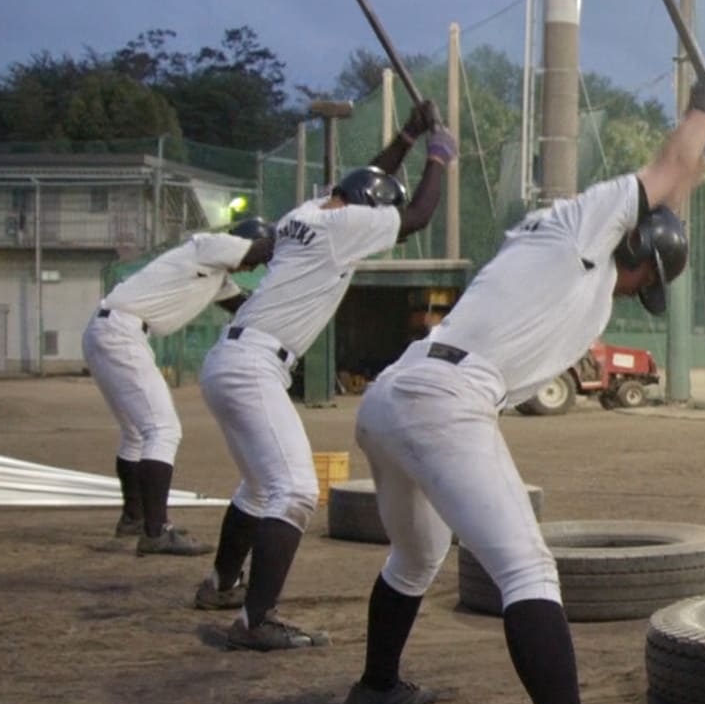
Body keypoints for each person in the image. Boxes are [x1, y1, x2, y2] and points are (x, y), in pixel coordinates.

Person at [343, 68, 705, 704]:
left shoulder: (574, 256)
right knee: (529, 572)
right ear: (634, 253)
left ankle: (376, 686)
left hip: (394, 395)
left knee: (416, 554)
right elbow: (667, 170)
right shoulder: (583, 223)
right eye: (643, 281)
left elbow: (674, 189)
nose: (634, 293)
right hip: (445, 398)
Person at [193, 102, 450, 650]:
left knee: (261, 485)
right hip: (254, 365)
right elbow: (418, 215)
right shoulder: (344, 226)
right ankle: (255, 621)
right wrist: (440, 157)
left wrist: (408, 132)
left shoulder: (306, 212)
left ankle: (221, 584)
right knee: (296, 490)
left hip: (229, 359)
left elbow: (366, 182)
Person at [86, 217, 275, 555]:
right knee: (163, 429)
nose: (254, 265)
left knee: (137, 432)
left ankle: (135, 519)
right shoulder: (211, 245)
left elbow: (243, 308)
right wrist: (303, 237)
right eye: (254, 259)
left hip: (109, 329)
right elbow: (261, 248)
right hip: (120, 332)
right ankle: (156, 531)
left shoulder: (217, 274)